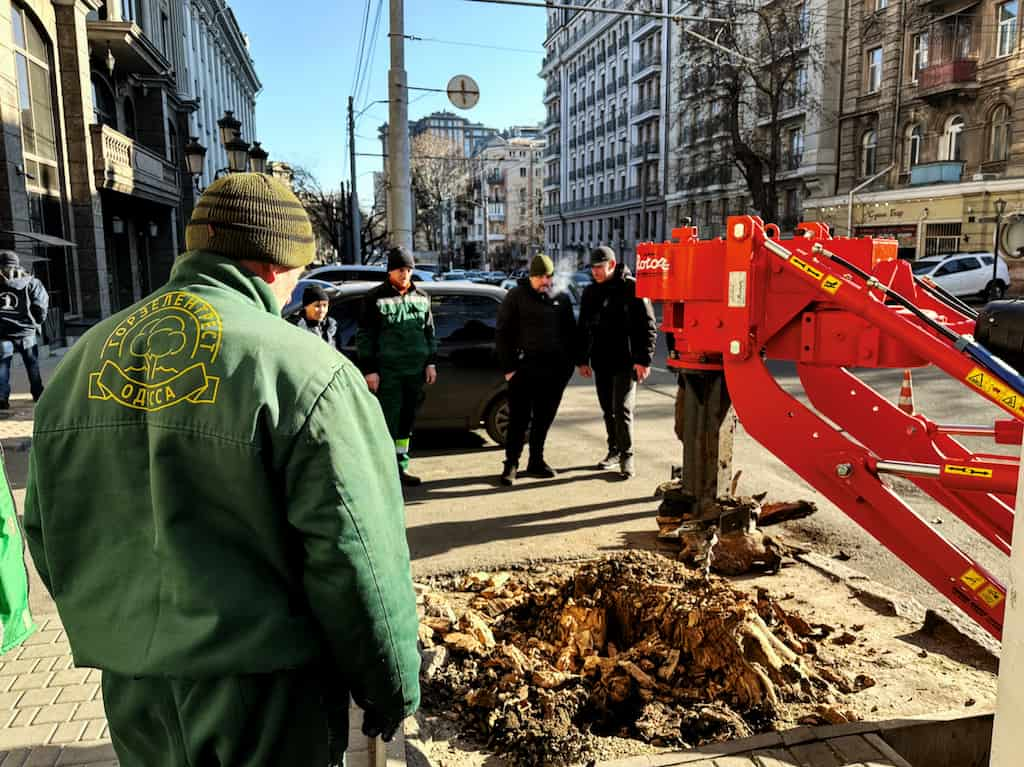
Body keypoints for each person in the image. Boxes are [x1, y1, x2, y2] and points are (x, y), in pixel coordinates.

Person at [23, 173, 421, 767]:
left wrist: (120, 629)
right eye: (295, 274)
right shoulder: (306, 370)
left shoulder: (82, 361)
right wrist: (391, 689)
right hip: (267, 699)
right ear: (271, 265)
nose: (293, 291)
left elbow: (45, 529)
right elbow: (356, 555)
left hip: (137, 694)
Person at [356, 246, 437, 487]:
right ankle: (385, 475)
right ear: (390, 271)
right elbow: (365, 336)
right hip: (388, 374)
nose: (404, 274)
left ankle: (401, 469)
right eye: (400, 269)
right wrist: (369, 369)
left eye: (408, 269)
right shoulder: (374, 298)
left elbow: (429, 332)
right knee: (386, 423)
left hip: (415, 373)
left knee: (406, 425)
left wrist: (431, 362)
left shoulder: (422, 297)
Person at [576, 246, 658, 479]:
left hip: (626, 361)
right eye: (593, 268)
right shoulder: (590, 292)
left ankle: (627, 456)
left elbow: (648, 327)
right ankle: (613, 450)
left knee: (621, 408)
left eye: (599, 267)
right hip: (601, 361)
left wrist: (643, 360)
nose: (595, 272)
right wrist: (582, 359)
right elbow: (583, 327)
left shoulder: (632, 288)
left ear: (612, 265)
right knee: (607, 410)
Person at [495, 253, 576, 486]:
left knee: (544, 419)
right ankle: (511, 464)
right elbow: (502, 334)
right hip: (523, 370)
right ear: (531, 276)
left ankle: (536, 461)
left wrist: (568, 366)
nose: (545, 281)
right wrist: (510, 368)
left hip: (554, 372)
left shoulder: (561, 297)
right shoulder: (516, 296)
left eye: (548, 276)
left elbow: (571, 332)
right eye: (540, 276)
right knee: (519, 420)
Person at [0, 251, 48, 409]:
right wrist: (36, 322)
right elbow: (40, 306)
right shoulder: (31, 282)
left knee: (3, 364)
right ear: (17, 263)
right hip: (26, 330)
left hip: (2, 331)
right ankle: (38, 393)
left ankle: (2, 397)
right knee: (32, 363)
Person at [290, 283, 339, 350]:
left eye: (325, 305)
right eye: (317, 306)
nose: (322, 310)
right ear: (306, 306)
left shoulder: (330, 325)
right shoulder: (295, 326)